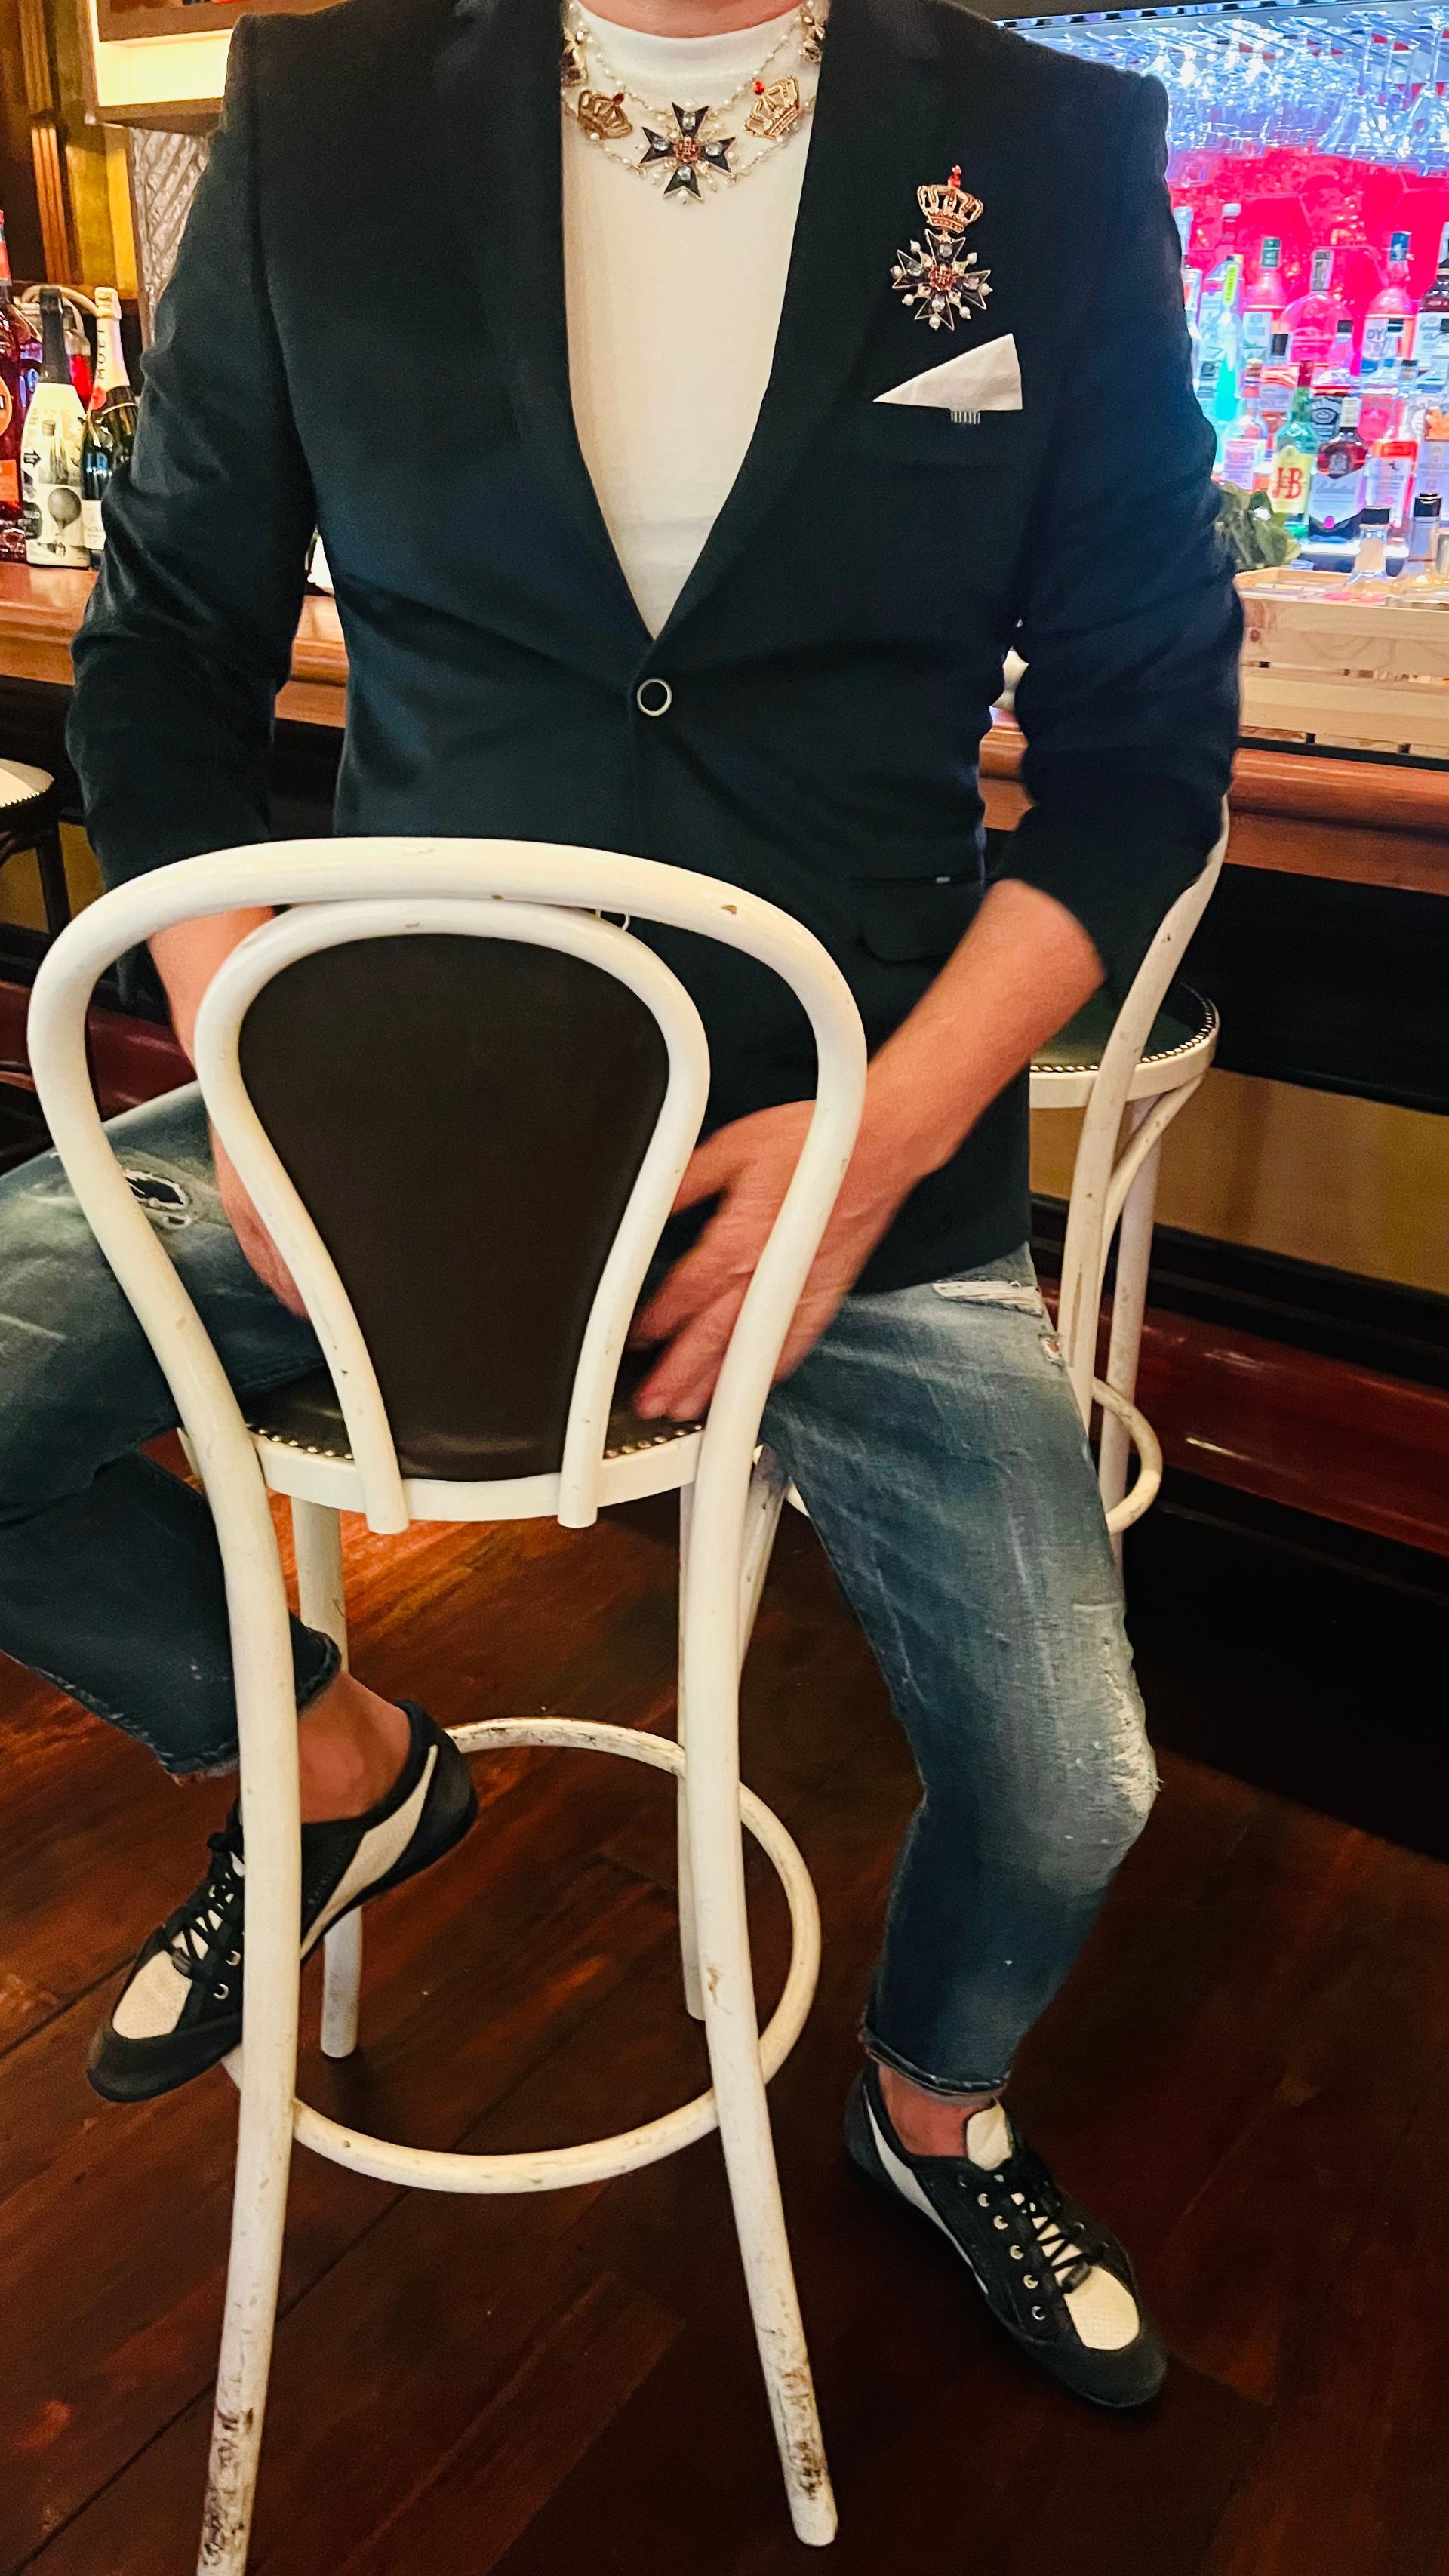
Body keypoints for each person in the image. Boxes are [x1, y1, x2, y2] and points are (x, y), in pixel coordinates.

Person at [1, 0, 1238, 2411]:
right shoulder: (324, 110)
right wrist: (253, 1052)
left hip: (848, 1141)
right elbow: (163, 657)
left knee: (1073, 1776)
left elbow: (1142, 743)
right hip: (389, 1109)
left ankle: (930, 2110)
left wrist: (888, 1134)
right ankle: (339, 1771)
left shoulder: (1054, 148)